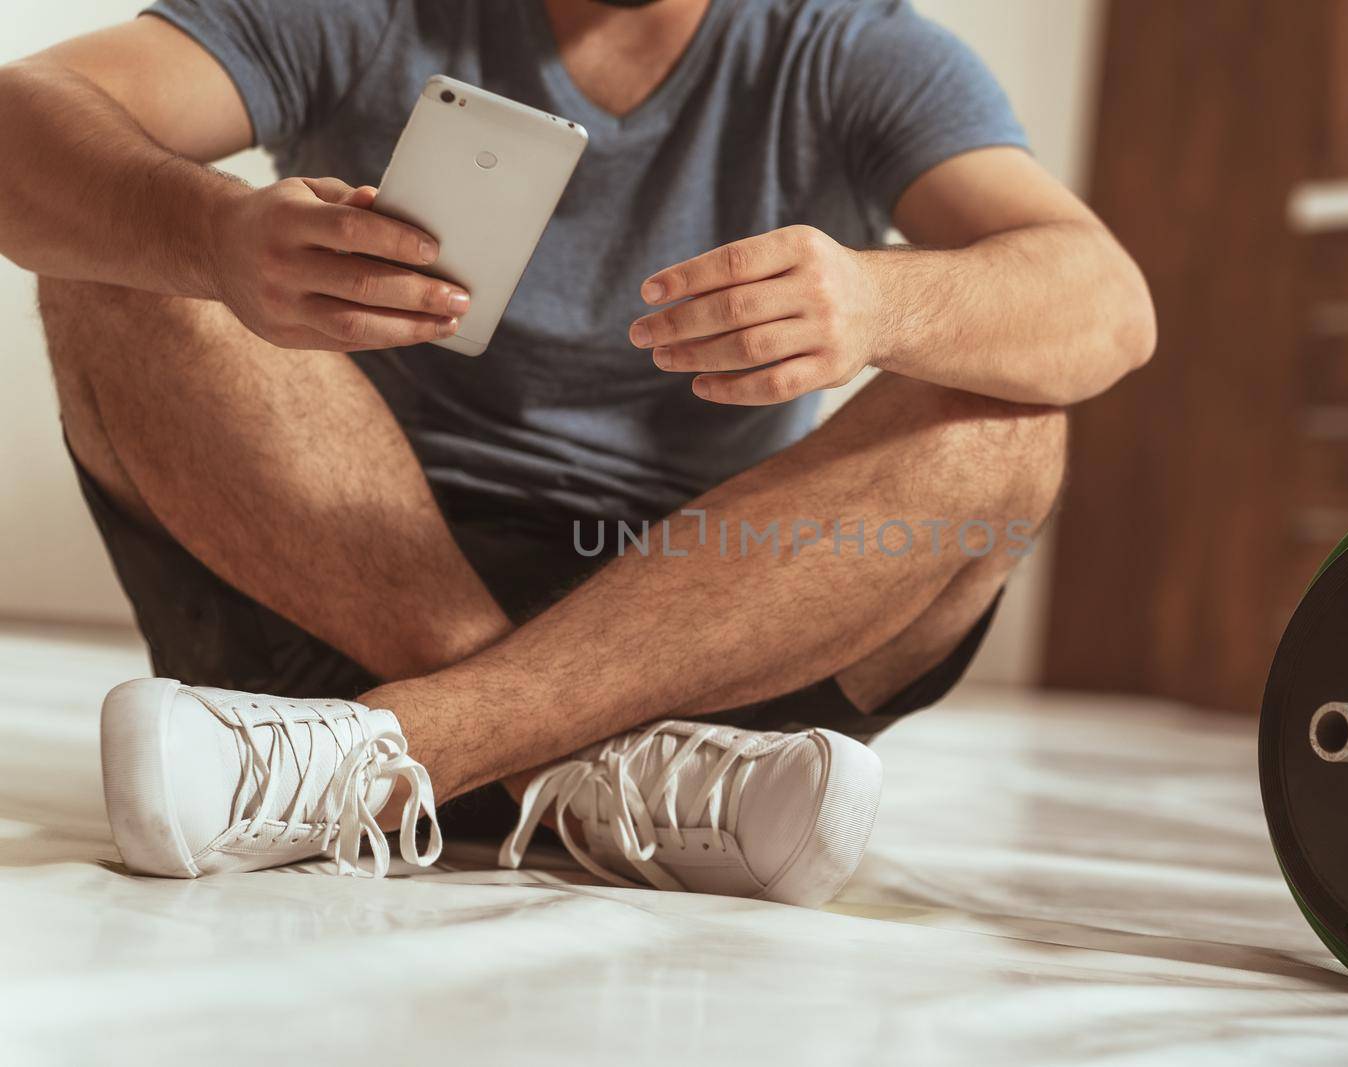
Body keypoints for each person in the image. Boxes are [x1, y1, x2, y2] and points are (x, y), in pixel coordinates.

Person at [0, 0, 1154, 903]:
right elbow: (21, 121)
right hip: (344, 580)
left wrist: (874, 297)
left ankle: (410, 746)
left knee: (1009, 411)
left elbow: (1107, 304)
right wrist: (211, 235)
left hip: (703, 633)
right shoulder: (358, 8)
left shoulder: (848, 48)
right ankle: (588, 772)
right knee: (114, 254)